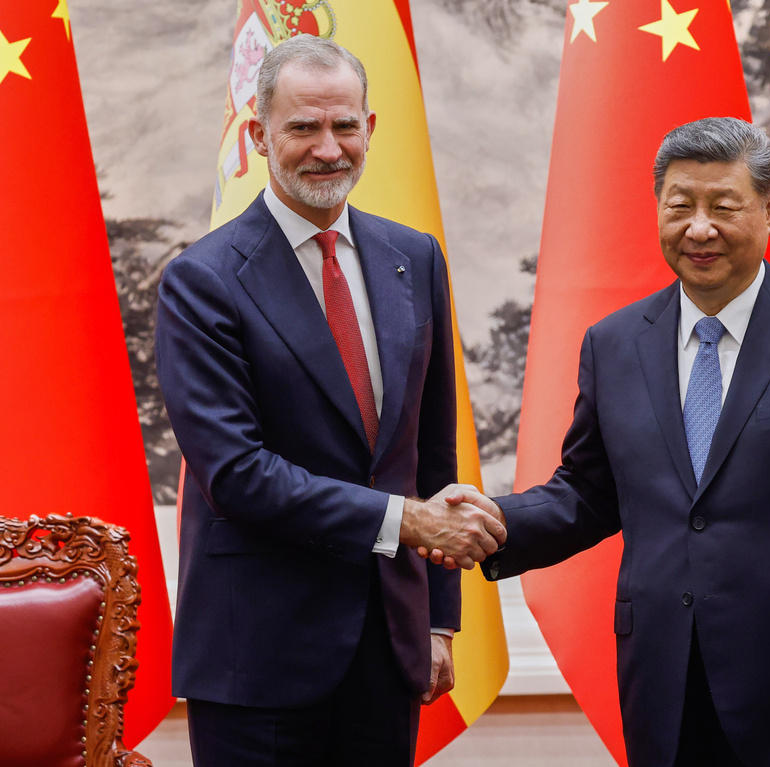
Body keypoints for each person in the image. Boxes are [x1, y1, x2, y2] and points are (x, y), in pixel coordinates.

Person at [433, 117, 770, 767]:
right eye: (681, 206)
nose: (700, 227)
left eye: (724, 206)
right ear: (659, 210)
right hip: (664, 681)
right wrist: (494, 520)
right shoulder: (614, 344)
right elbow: (588, 492)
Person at [155, 34, 504, 767]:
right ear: (259, 134)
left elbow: (428, 451)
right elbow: (237, 474)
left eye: (345, 125)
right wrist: (406, 522)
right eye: (303, 127)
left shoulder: (415, 256)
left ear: (371, 129)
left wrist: (439, 620)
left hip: (389, 645)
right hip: (259, 657)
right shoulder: (203, 281)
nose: (328, 147)